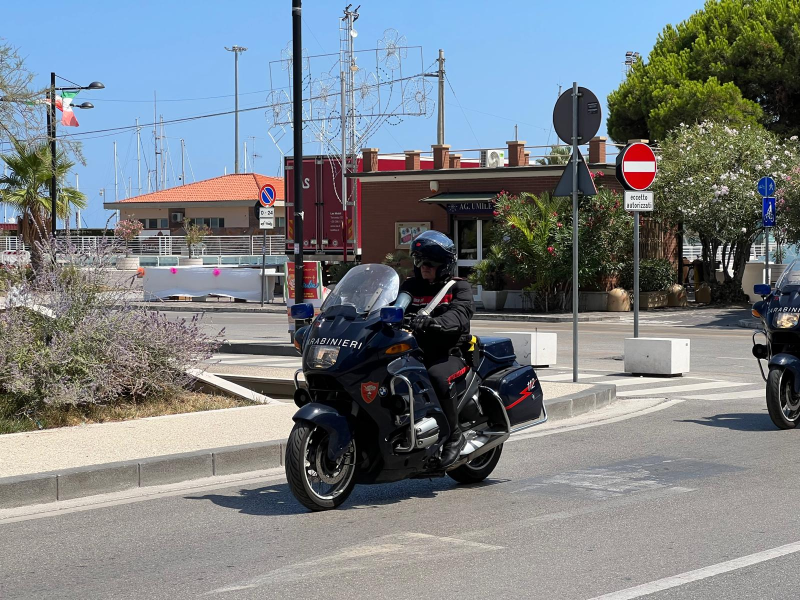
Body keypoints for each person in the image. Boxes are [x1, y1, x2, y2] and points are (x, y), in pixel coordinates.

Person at [399, 230, 474, 467]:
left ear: (444, 264)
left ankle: (454, 436)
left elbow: (459, 315)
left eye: (430, 261)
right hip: (414, 352)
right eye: (419, 260)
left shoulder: (458, 288)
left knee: (436, 377)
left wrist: (435, 323)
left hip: (448, 354)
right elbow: (389, 305)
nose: (424, 266)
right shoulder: (410, 286)